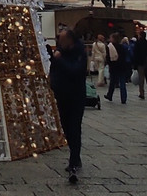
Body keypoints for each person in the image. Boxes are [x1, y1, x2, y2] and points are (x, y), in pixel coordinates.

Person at [49, 27, 87, 182]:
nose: (59, 42)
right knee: (66, 127)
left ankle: (74, 162)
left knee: (74, 127)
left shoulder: (80, 53)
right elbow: (55, 70)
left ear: (70, 40)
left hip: (76, 96)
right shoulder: (60, 52)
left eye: (62, 39)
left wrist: (59, 60)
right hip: (62, 95)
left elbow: (75, 71)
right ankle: (75, 156)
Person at [105, 33, 128, 104]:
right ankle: (123, 98)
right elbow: (124, 56)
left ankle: (110, 95)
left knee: (112, 82)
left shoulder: (110, 47)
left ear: (113, 39)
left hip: (114, 67)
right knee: (122, 83)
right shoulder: (122, 47)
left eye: (111, 38)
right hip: (122, 66)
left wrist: (109, 64)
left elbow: (108, 58)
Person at [132, 31, 147, 99]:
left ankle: (142, 93)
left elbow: (135, 55)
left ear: (140, 36)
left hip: (140, 64)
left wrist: (135, 65)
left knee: (141, 79)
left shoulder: (137, 44)